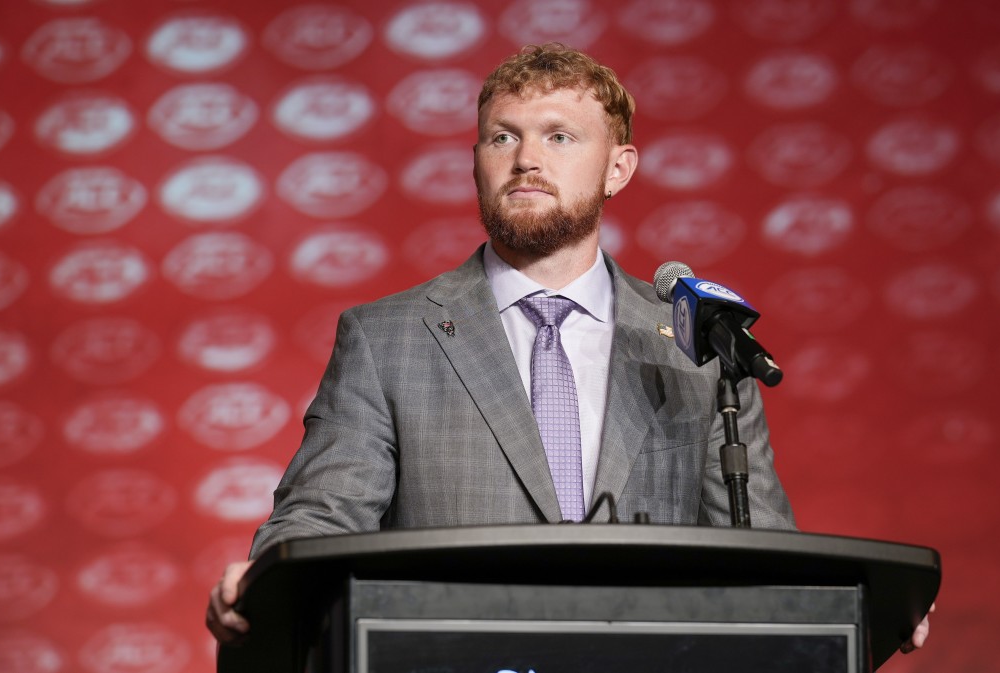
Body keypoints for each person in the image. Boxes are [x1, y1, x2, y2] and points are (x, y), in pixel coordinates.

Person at [206, 43, 932, 651]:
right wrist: (262, 574)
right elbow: (320, 517)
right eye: (503, 136)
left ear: (618, 168)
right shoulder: (388, 339)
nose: (526, 158)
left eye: (559, 136)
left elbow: (763, 551)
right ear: (476, 160)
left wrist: (870, 607)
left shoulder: (698, 343)